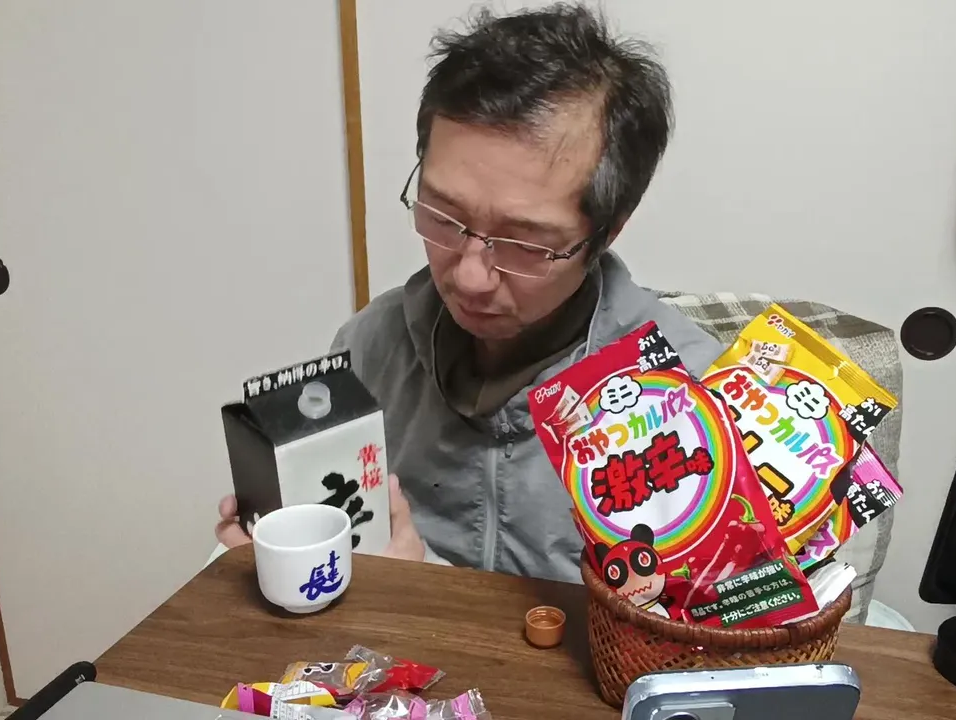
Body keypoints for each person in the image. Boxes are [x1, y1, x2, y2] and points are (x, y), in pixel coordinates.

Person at [216, 3, 721, 584]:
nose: (469, 277)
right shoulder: (371, 348)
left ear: (608, 230)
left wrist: (416, 588)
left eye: (525, 243)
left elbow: (695, 630)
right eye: (443, 216)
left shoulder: (691, 396)